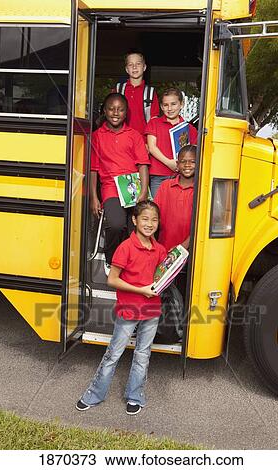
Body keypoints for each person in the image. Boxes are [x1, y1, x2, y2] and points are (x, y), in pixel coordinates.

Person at [76, 200, 167, 415]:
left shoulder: (160, 249)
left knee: (143, 355)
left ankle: (135, 395)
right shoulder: (125, 247)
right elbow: (113, 280)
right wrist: (141, 290)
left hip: (151, 310)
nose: (149, 223)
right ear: (134, 220)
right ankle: (94, 394)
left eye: (154, 220)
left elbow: (159, 279)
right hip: (129, 309)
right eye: (145, 219)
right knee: (113, 354)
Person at [90, 92, 150, 271]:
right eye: (111, 109)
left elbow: (143, 165)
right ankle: (112, 260)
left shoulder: (134, 135)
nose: (115, 113)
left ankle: (130, 262)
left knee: (136, 228)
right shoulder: (97, 136)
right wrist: (94, 197)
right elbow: (93, 169)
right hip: (111, 188)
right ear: (104, 111)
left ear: (126, 113)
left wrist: (143, 192)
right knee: (116, 224)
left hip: (133, 187)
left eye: (120, 109)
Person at [145, 88, 198, 197]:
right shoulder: (154, 123)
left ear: (181, 104)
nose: (170, 108)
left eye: (173, 104)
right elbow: (152, 147)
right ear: (161, 106)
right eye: (165, 105)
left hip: (181, 176)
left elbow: (193, 152)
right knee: (157, 208)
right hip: (158, 175)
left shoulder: (189, 128)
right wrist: (169, 162)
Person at [154, 145, 196, 251]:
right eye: (183, 161)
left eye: (192, 162)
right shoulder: (165, 186)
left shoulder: (201, 190)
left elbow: (201, 226)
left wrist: (183, 247)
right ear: (177, 164)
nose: (187, 165)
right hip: (164, 249)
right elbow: (154, 216)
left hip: (191, 251)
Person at [115, 51, 160, 138]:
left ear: (144, 67)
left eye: (138, 64)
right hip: (120, 140)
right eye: (130, 64)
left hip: (143, 142)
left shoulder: (150, 92)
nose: (134, 67)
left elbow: (154, 122)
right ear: (127, 69)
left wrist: (149, 143)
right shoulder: (119, 89)